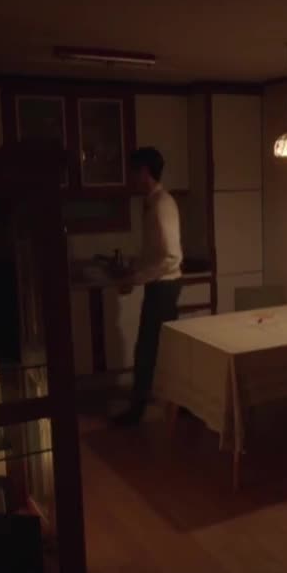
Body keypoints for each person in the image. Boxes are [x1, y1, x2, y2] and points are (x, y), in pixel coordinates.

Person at [113, 147, 183, 427]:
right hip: (161, 286)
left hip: (165, 287)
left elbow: (171, 257)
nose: (130, 178)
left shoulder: (162, 204)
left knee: (148, 350)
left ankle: (138, 410)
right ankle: (167, 405)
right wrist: (135, 272)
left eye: (132, 172)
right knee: (156, 350)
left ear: (144, 172)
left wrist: (137, 278)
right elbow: (155, 252)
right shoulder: (154, 203)